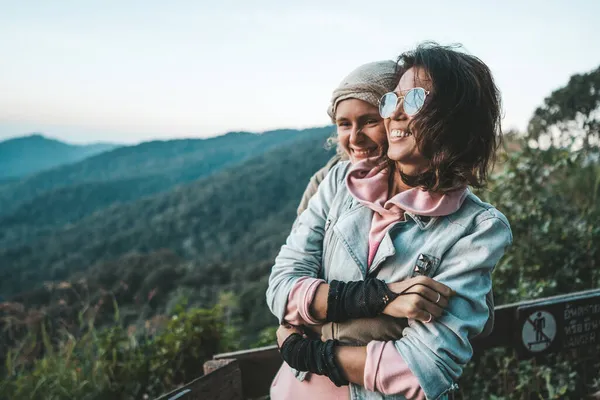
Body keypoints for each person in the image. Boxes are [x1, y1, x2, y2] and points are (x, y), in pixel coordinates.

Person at [267, 43, 512, 400]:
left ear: (456, 117)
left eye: (413, 100)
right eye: (391, 100)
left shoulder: (476, 229)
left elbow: (422, 368)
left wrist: (307, 352)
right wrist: (379, 297)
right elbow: (281, 287)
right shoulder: (340, 184)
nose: (395, 113)